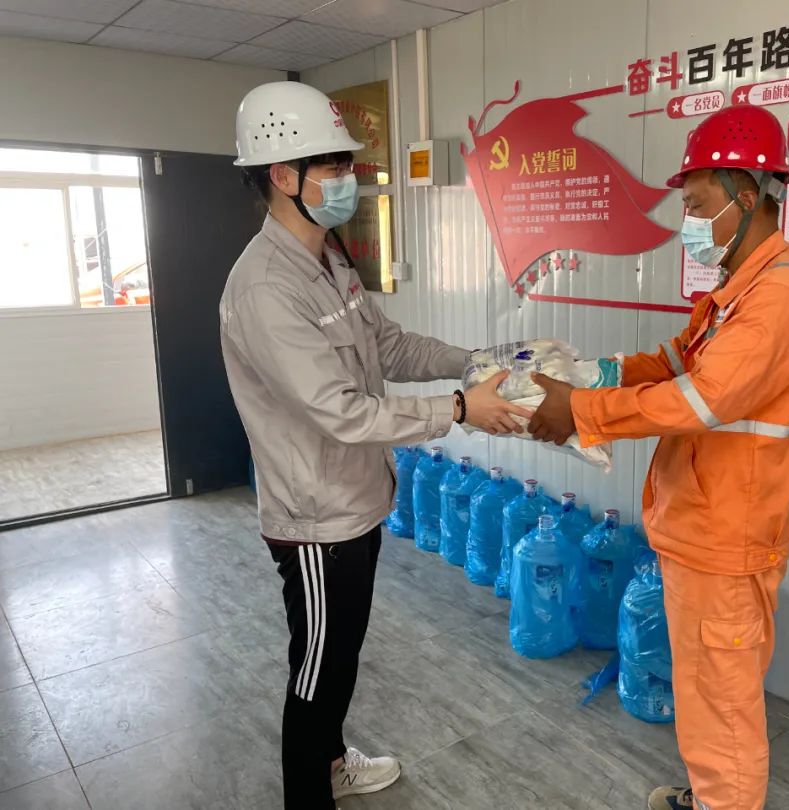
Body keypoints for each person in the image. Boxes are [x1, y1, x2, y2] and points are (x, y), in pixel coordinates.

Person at [219, 81, 527, 810]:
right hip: (316, 517)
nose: (347, 179)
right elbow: (341, 412)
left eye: (346, 164)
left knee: (340, 656)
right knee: (318, 670)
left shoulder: (328, 259)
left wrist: (470, 362)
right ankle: (310, 794)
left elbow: (387, 345)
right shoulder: (266, 288)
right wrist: (461, 410)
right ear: (282, 175)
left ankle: (331, 762)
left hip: (356, 499)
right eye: (331, 166)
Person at [527, 105, 789, 810]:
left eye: (695, 204)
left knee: (723, 707)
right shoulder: (737, 291)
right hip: (704, 526)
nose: (687, 220)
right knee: (705, 692)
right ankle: (709, 798)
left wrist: (581, 413)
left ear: (745, 196)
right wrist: (597, 373)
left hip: (729, 536)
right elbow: (678, 361)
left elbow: (702, 399)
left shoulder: (779, 297)